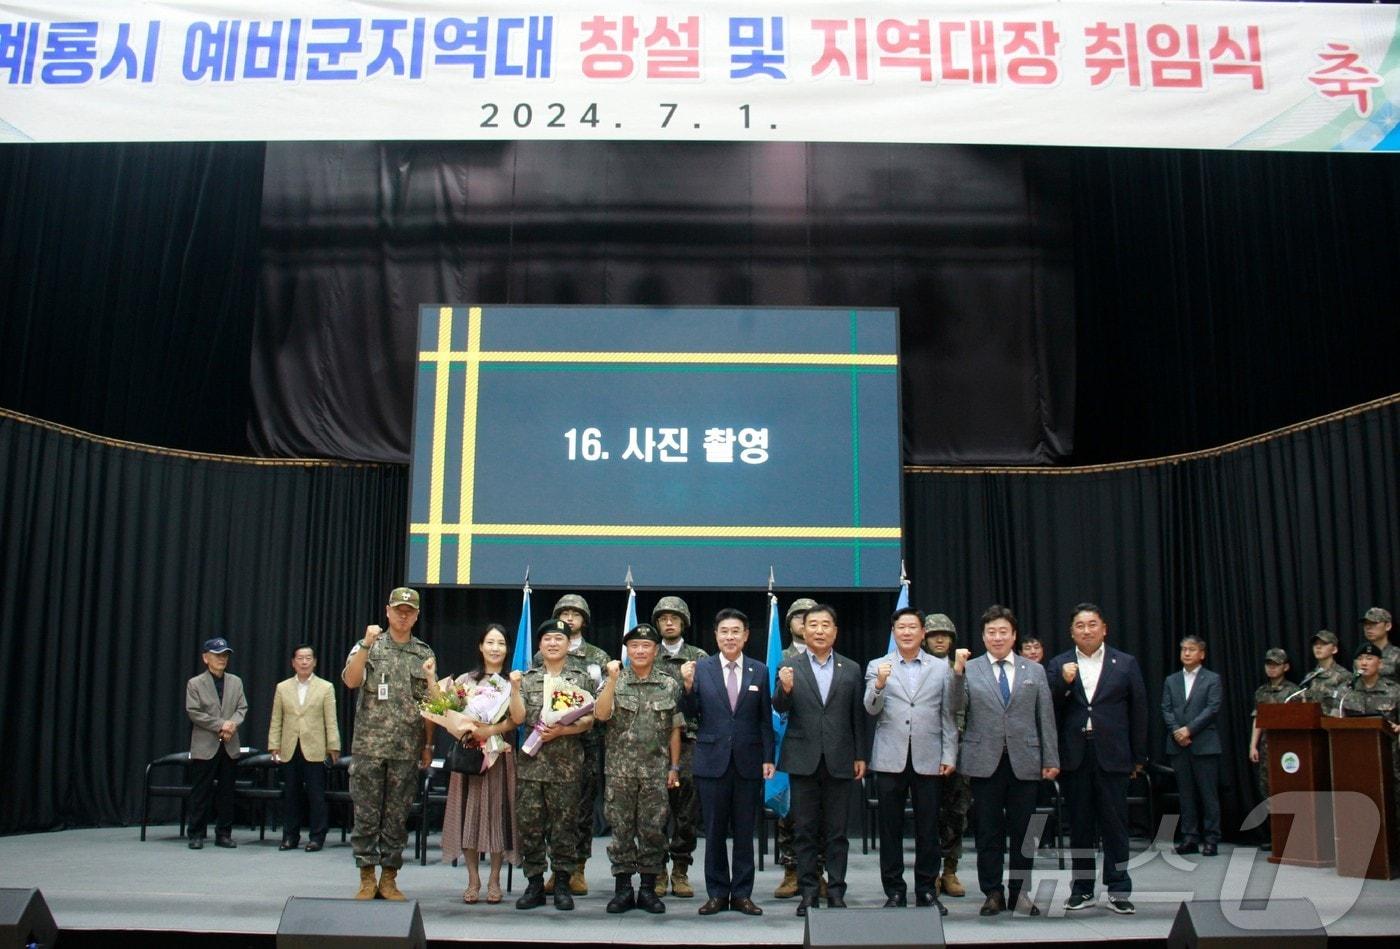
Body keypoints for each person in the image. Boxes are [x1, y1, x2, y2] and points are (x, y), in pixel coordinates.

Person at [954, 606, 1058, 917]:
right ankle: (992, 892)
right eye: (991, 632)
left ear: (1013, 635)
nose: (997, 637)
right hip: (983, 760)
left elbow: (1046, 718)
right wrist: (957, 674)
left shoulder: (1034, 671)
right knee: (988, 831)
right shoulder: (970, 669)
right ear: (983, 636)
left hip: (1025, 760)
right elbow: (954, 708)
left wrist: (1050, 758)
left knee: (1025, 831)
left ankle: (1020, 893)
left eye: (1003, 632)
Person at [1045, 603, 1148, 915]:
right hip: (1075, 756)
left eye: (1092, 624)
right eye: (1079, 625)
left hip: (1114, 755)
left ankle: (1118, 888)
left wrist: (1138, 756)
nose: (1086, 630)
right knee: (1080, 825)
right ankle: (1082, 888)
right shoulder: (1059, 663)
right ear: (1071, 631)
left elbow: (1139, 710)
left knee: (1115, 824)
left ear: (1104, 628)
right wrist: (1062, 682)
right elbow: (1047, 708)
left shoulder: (1125, 663)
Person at [342, 586, 436, 900]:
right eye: (398, 609)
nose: (403, 614)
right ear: (387, 611)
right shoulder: (368, 645)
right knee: (366, 814)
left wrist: (428, 745)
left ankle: (389, 877)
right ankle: (366, 876)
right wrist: (366, 645)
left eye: (409, 610)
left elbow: (430, 707)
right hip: (369, 745)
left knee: (397, 816)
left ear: (417, 615)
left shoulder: (423, 653)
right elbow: (351, 681)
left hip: (406, 748)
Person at [773, 604, 867, 916]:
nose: (819, 630)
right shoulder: (790, 665)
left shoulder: (851, 669)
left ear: (835, 631)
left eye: (826, 624)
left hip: (841, 759)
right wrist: (785, 689)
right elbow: (779, 707)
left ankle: (836, 891)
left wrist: (860, 755)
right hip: (803, 759)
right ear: (804, 629)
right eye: (813, 624)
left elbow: (858, 717)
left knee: (838, 832)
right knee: (805, 832)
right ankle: (809, 893)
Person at [863, 607, 958, 913]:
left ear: (922, 633)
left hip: (928, 757)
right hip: (890, 758)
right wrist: (878, 685)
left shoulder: (940, 667)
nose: (906, 632)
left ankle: (927, 890)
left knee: (928, 829)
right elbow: (871, 709)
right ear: (894, 632)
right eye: (900, 627)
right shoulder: (878, 665)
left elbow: (949, 715)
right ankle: (894, 891)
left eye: (912, 627)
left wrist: (949, 754)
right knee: (889, 830)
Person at [681, 608, 775, 916]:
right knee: (714, 831)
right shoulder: (702, 668)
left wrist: (768, 758)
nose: (730, 637)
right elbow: (691, 713)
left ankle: (743, 894)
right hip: (711, 761)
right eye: (724, 631)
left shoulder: (759, 670)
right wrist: (687, 687)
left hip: (748, 762)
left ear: (746, 635)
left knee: (745, 832)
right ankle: (718, 893)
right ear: (716, 635)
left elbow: (764, 720)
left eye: (736, 631)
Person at [593, 623, 683, 914]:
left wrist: (674, 766)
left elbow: (674, 729)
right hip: (619, 772)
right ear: (627, 650)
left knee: (653, 830)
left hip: (656, 771)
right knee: (620, 831)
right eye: (634, 646)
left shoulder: (668, 683)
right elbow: (601, 714)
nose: (640, 650)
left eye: (646, 646)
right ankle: (622, 890)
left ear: (656, 650)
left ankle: (647, 889)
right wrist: (610, 681)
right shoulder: (615, 680)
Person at [511, 618, 597, 911]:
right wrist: (513, 689)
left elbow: (589, 720)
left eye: (558, 639)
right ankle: (534, 883)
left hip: (566, 767)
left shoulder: (581, 678)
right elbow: (519, 718)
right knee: (530, 827)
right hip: (531, 766)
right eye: (547, 638)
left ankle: (561, 883)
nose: (552, 643)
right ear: (539, 645)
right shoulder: (527, 677)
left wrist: (563, 731)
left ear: (567, 644)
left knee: (564, 828)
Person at [439, 624, 520, 904]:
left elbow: (517, 720)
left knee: (498, 817)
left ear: (507, 649)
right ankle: (473, 879)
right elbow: (447, 713)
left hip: (500, 758)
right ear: (480, 646)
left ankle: (495, 879)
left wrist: (491, 731)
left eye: (500, 643)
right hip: (470, 758)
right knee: (468, 816)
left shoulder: (513, 682)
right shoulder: (465, 681)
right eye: (490, 642)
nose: (495, 648)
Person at [539, 593, 609, 897]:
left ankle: (577, 867)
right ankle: (556, 869)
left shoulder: (599, 658)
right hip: (551, 747)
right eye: (564, 613)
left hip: (588, 743)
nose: (569, 618)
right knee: (551, 812)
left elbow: (605, 703)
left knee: (580, 810)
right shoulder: (543, 654)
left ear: (584, 620)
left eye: (575, 613)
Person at [651, 595, 706, 898]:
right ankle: (658, 870)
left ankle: (681, 870)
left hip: (689, 744)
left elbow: (708, 703)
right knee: (656, 811)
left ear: (684, 621)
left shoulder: (698, 657)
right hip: (655, 745)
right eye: (663, 618)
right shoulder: (647, 654)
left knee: (686, 813)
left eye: (674, 617)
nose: (668, 622)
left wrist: (689, 686)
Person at [268, 643, 340, 852]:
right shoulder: (282, 687)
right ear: (293, 662)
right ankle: (290, 836)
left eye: (308, 658)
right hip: (289, 747)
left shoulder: (325, 687)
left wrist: (333, 745)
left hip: (315, 747)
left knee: (316, 795)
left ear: (315, 661)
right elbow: (276, 719)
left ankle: (317, 837)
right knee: (291, 794)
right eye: (300, 658)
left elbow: (331, 720)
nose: (304, 661)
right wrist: (274, 744)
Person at [1161, 635, 1223, 856]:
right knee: (1186, 795)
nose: (1186, 653)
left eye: (1191, 649)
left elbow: (1212, 709)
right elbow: (1166, 709)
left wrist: (1189, 730)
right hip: (1178, 745)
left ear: (1202, 654)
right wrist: (1177, 730)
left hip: (1204, 743)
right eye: (1183, 649)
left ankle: (1211, 838)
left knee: (1208, 794)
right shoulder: (1172, 680)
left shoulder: (1212, 679)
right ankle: (1189, 837)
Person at [773, 596, 818, 899]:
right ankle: (791, 871)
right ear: (788, 623)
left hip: (821, 745)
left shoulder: (829, 657)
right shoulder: (779, 656)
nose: (803, 622)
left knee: (821, 815)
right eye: (798, 617)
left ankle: (817, 873)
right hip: (787, 744)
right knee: (788, 814)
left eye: (810, 617)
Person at [923, 612, 970, 898]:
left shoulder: (965, 669)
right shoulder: (920, 668)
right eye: (933, 634)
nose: (939, 639)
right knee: (928, 815)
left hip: (961, 751)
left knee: (956, 813)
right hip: (927, 750)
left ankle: (949, 870)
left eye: (945, 635)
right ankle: (928, 871)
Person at [185, 637, 247, 850]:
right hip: (205, 744)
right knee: (200, 791)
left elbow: (242, 708)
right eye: (217, 654)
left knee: (226, 793)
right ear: (206, 657)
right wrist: (222, 724)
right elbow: (194, 712)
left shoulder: (236, 682)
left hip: (229, 744)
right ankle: (196, 833)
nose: (222, 659)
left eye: (225, 655)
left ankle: (224, 833)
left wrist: (232, 724)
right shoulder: (195, 683)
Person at [1339, 642, 1400, 812]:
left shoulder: (1394, 691)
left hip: (1389, 759)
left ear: (1380, 663)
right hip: (1355, 759)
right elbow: (1334, 720)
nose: (1364, 663)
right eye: (1360, 659)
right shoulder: (1346, 691)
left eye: (1369, 658)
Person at [1249, 648, 1297, 831]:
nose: (1271, 668)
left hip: (1289, 748)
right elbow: (1257, 719)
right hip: (1267, 746)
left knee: (1289, 788)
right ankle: (1274, 834)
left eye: (1276, 665)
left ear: (1286, 667)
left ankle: (1290, 832)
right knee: (1267, 789)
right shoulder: (1261, 692)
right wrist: (1253, 745)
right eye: (1268, 664)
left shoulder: (1294, 691)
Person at [1303, 630, 1351, 714]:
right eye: (1315, 644)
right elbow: (1305, 703)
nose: (1318, 647)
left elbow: (1341, 707)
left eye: (1324, 644)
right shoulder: (1310, 677)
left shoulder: (1343, 676)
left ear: (1334, 649)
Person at [1360, 608, 1398, 682]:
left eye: (1374, 623)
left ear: (1388, 626)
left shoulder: (1397, 655)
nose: (1368, 627)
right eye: (1366, 624)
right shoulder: (1361, 654)